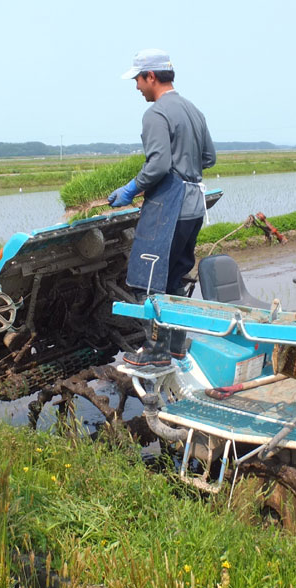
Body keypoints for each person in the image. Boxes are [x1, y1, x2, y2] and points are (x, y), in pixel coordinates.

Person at [109, 49, 216, 367]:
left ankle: (155, 352)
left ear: (151, 77)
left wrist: (131, 189)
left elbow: (158, 165)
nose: (137, 88)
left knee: (148, 279)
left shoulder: (156, 114)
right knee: (176, 277)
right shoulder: (193, 110)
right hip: (194, 206)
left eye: (138, 80)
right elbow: (209, 158)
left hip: (168, 209)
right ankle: (176, 346)